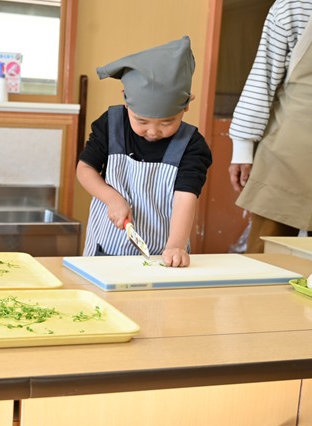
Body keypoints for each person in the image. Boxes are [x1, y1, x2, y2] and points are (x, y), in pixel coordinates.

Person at [77, 36, 212, 267]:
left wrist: (176, 245)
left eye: (167, 122)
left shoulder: (191, 144)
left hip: (163, 254)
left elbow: (185, 197)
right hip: (105, 249)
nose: (153, 131)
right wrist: (112, 198)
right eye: (141, 121)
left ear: (187, 104)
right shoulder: (111, 125)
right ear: (126, 100)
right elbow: (85, 169)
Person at [228, 0, 312, 253]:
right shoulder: (294, 6)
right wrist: (242, 149)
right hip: (288, 154)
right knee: (267, 254)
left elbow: (262, 78)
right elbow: (263, 79)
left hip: (288, 148)